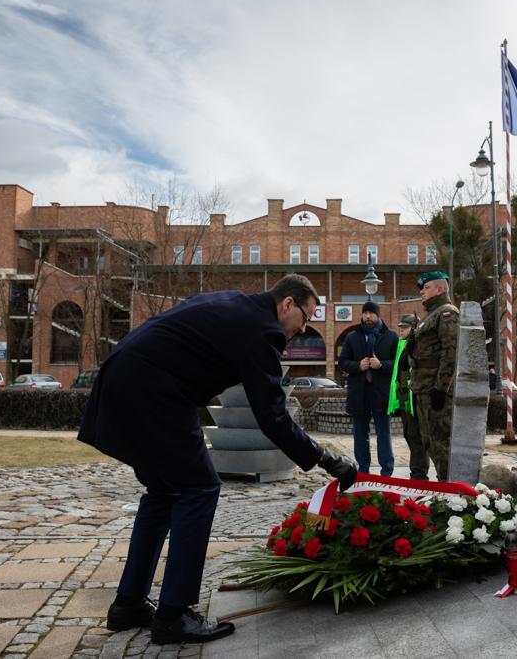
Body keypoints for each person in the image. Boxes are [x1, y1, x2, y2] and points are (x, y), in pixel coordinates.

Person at [77, 275, 356, 645]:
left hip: (122, 379)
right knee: (199, 488)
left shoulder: (233, 303)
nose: (303, 329)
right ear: (287, 303)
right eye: (305, 318)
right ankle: (173, 614)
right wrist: (326, 459)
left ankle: (127, 604)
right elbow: (272, 417)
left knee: (163, 493)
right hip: (156, 392)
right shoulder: (263, 330)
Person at [337, 300, 398, 476]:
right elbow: (342, 362)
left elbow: (398, 363)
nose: (368, 316)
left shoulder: (391, 336)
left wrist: (381, 365)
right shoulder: (352, 337)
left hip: (381, 394)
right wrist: (357, 366)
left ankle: (387, 472)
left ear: (378, 315)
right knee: (360, 435)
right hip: (359, 394)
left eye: (371, 313)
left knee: (383, 434)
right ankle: (363, 471)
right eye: (365, 313)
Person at [409, 271, 459, 481]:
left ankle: (449, 487)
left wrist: (441, 388)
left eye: (426, 287)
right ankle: (442, 484)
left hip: (434, 389)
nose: (422, 291)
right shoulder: (429, 315)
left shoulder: (447, 313)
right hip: (422, 387)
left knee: (441, 442)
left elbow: (451, 353)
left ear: (439, 289)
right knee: (428, 440)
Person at [388, 313, 429, 479]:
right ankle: (417, 472)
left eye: (405, 327)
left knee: (416, 436)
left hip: (415, 398)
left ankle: (419, 475)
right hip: (405, 398)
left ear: (413, 329)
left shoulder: (418, 344)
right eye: (400, 327)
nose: (401, 330)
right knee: (409, 435)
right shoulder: (401, 344)